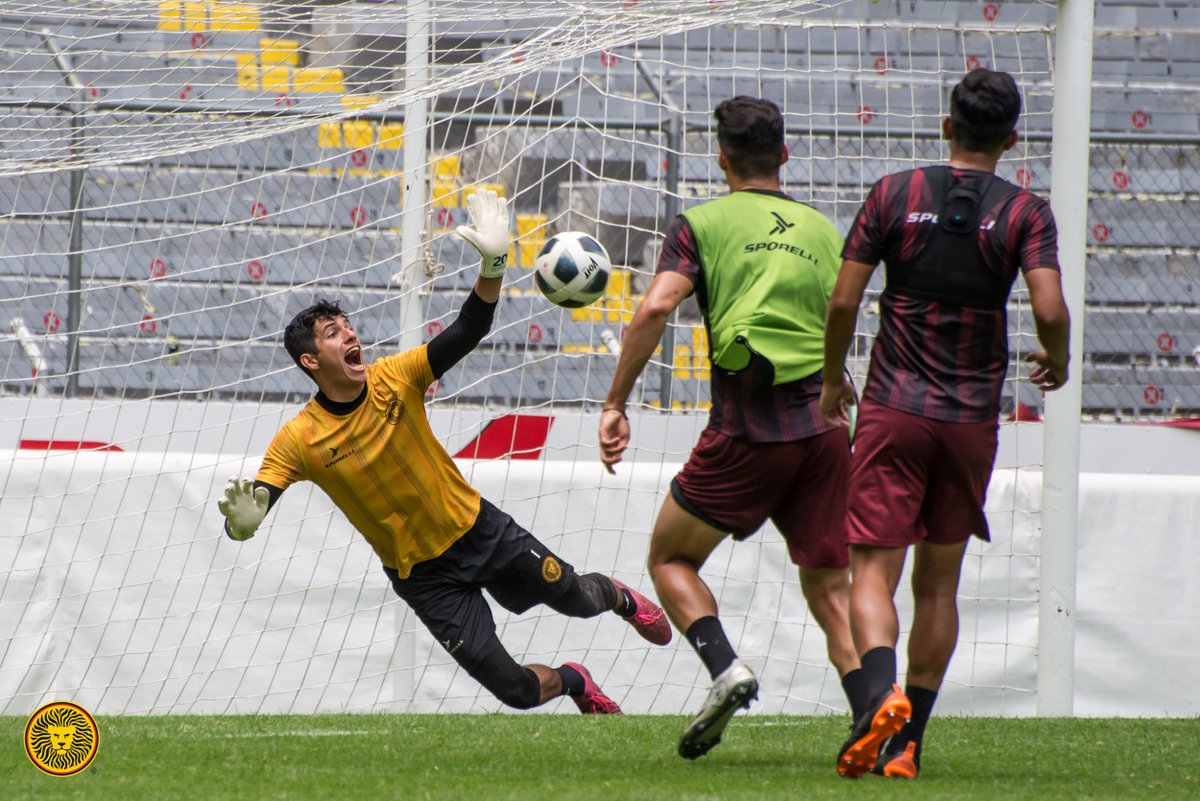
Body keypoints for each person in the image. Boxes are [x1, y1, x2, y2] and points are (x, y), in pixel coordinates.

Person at [217, 189, 672, 715]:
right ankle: (575, 681)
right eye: (331, 333)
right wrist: (243, 523)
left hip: (481, 531)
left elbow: (469, 328)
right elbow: (250, 510)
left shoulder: (397, 377)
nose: (348, 334)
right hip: (424, 579)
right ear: (310, 360)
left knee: (579, 600)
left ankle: (620, 596)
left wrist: (495, 263)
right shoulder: (299, 440)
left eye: (346, 326)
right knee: (517, 694)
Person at [819, 68, 1071, 779]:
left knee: (870, 568)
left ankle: (877, 697)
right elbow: (1050, 311)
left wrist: (835, 375)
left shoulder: (893, 193)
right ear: (1013, 138)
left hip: (895, 409)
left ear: (945, 126)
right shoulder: (1027, 211)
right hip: (968, 421)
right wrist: (1058, 359)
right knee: (938, 584)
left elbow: (843, 302)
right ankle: (907, 746)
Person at [599, 96, 866, 759]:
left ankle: (726, 667)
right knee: (831, 585)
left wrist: (616, 403)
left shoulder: (701, 222)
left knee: (669, 556)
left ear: (720, 158)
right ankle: (873, 707)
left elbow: (657, 305)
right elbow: (844, 318)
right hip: (829, 429)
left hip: (751, 430)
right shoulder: (825, 230)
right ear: (785, 153)